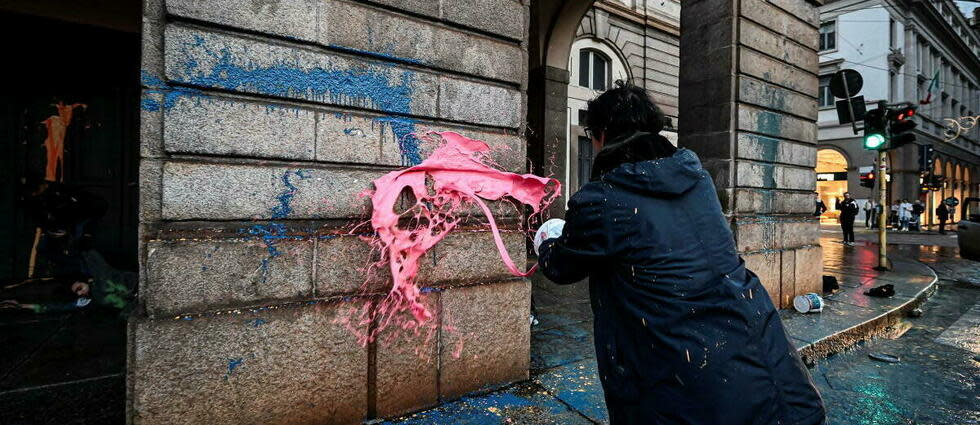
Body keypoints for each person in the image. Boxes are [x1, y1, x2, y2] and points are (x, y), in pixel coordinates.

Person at [534, 81, 825, 425]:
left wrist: (547, 237)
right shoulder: (696, 179)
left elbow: (562, 266)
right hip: (765, 366)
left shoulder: (602, 198)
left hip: (681, 384)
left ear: (601, 135)